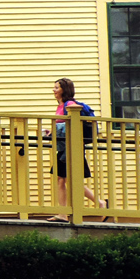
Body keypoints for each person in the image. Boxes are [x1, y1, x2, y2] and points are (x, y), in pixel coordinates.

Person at [45, 79, 109, 222]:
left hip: (72, 148)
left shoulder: (70, 104)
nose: (53, 90)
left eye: (56, 88)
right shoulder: (61, 106)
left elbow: (73, 123)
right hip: (65, 148)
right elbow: (64, 126)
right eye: (54, 87)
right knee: (63, 180)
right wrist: (53, 132)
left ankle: (99, 203)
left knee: (68, 180)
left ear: (64, 90)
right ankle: (97, 204)